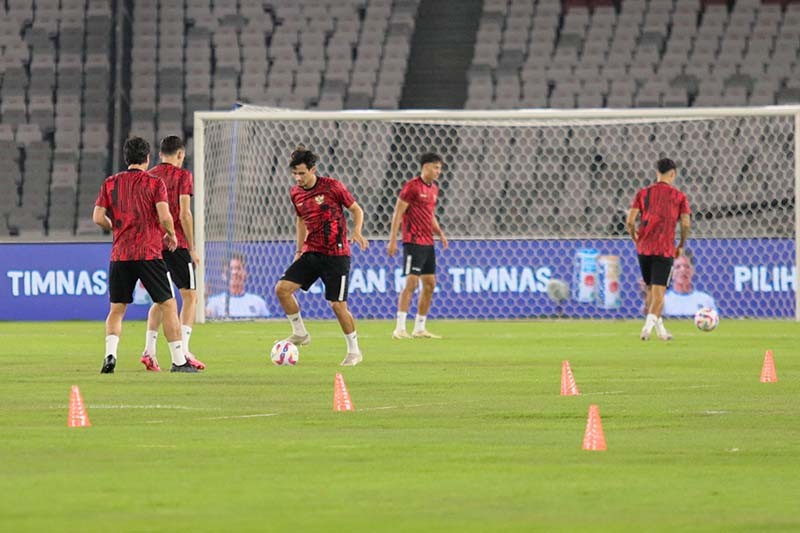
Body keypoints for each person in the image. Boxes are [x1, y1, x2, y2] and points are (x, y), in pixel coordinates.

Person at [93, 137, 197, 373]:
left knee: (117, 309)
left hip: (120, 255)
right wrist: (170, 234)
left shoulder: (110, 183)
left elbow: (98, 218)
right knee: (168, 304)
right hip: (149, 254)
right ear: (148, 158)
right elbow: (165, 216)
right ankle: (179, 360)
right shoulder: (154, 183)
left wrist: (115, 226)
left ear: (125, 158)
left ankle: (110, 355)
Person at [274, 146, 368, 366]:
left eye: (302, 173)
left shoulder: (332, 187)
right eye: (294, 173)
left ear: (313, 169)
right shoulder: (295, 192)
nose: (297, 178)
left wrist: (356, 231)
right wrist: (298, 251)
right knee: (282, 289)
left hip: (337, 255)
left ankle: (354, 351)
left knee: (337, 305)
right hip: (312, 252)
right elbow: (300, 220)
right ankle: (300, 333)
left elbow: (357, 210)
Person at [140, 136, 205, 371]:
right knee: (190, 296)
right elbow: (184, 214)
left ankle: (149, 351)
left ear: (159, 155)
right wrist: (193, 247)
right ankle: (184, 350)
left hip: (152, 244)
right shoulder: (183, 176)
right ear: (180, 154)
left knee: (162, 299)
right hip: (176, 244)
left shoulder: (149, 176)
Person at [626, 158, 690, 341]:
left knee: (651, 290)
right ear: (673, 174)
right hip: (664, 249)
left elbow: (630, 221)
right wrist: (681, 245)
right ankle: (647, 328)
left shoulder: (643, 193)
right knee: (660, 294)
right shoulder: (679, 197)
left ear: (657, 173)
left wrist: (635, 237)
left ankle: (661, 331)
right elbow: (686, 224)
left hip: (644, 249)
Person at [387, 152, 448, 339]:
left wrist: (440, 233)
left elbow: (430, 214)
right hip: (412, 241)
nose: (438, 171)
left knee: (430, 284)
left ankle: (420, 327)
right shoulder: (411, 187)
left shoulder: (434, 189)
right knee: (411, 283)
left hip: (428, 241)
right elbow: (398, 213)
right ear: (425, 166)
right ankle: (400, 328)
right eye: (435, 167)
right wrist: (393, 240)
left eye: (440, 168)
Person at [206, 253, 270, 318]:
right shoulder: (215, 302)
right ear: (224, 276)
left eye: (238, 268)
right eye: (230, 269)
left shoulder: (258, 302)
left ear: (245, 273)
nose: (234, 272)